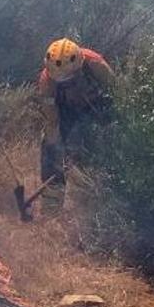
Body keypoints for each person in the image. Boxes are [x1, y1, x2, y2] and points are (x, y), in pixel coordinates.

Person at [32, 38, 115, 218]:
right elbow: (52, 120)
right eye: (60, 81)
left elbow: (117, 91)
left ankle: (95, 203)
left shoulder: (95, 64)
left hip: (97, 109)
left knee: (91, 152)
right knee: (48, 146)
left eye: (69, 79)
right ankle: (51, 207)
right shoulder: (47, 82)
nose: (65, 83)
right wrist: (55, 151)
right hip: (67, 112)